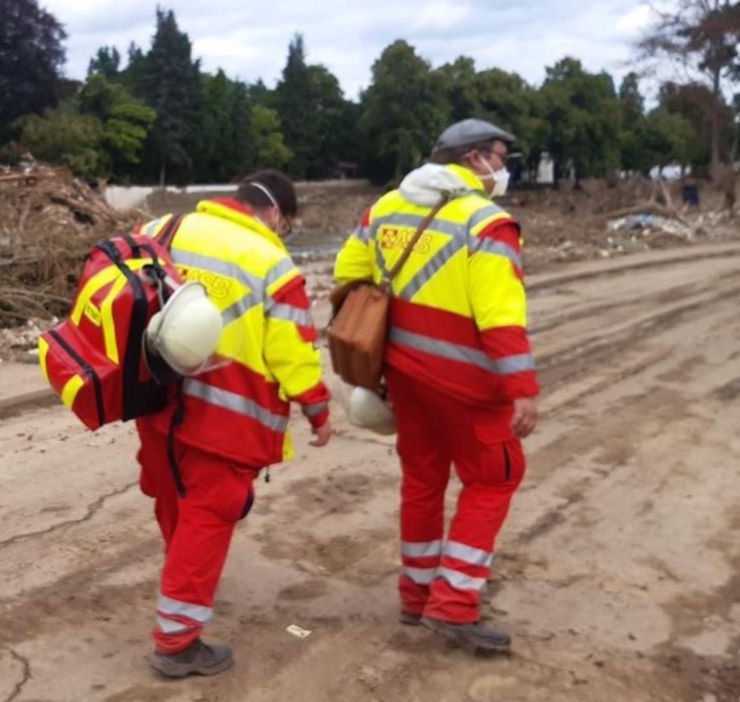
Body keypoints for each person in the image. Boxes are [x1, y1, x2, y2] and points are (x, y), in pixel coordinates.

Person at [334, 119, 539, 654]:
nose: (503, 168)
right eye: (499, 156)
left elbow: (348, 270)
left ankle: (417, 593)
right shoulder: (487, 224)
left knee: (422, 480)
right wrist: (522, 387)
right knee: (495, 479)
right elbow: (500, 317)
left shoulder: (384, 208)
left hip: (404, 375)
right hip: (469, 385)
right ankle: (454, 604)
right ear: (473, 160)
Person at [135, 169, 332, 678]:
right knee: (210, 512)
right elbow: (293, 353)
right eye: (285, 222)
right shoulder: (273, 264)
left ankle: (184, 583)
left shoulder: (165, 228)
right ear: (274, 214)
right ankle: (177, 642)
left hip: (157, 399)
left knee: (174, 496)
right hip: (226, 415)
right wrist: (317, 408)